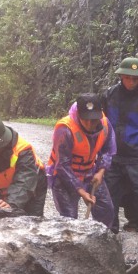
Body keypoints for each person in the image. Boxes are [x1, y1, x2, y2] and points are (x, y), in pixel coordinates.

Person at [103, 57, 138, 234]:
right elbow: (101, 124)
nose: (131, 81)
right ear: (121, 77)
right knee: (109, 196)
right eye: (127, 77)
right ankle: (108, 232)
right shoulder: (110, 94)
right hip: (114, 155)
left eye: (135, 78)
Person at [47, 93, 116, 228]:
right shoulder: (65, 129)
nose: (90, 124)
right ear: (78, 114)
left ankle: (101, 242)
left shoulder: (105, 124)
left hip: (90, 172)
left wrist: (100, 172)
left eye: (94, 119)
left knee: (106, 210)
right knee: (69, 219)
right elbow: (62, 166)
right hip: (64, 176)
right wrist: (81, 191)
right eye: (86, 119)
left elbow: (108, 150)